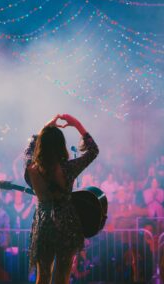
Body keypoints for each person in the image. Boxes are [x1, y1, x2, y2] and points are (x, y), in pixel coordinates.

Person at [24, 114, 99, 284]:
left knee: (42, 276)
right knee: (62, 276)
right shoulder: (68, 168)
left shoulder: (32, 168)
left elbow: (29, 148)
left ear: (41, 145)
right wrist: (77, 124)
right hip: (66, 225)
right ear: (61, 145)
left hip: (43, 224)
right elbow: (93, 151)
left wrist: (45, 128)